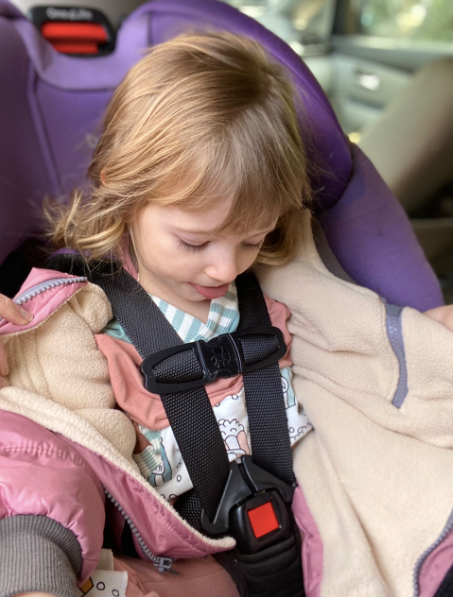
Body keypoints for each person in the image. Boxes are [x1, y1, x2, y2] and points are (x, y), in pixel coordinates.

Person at [1, 29, 453, 597]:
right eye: (195, 242)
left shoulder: (285, 282)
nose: (225, 268)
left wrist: (426, 339)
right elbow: (48, 455)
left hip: (325, 523)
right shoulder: (77, 320)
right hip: (171, 560)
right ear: (125, 190)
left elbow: (364, 346)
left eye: (252, 239)